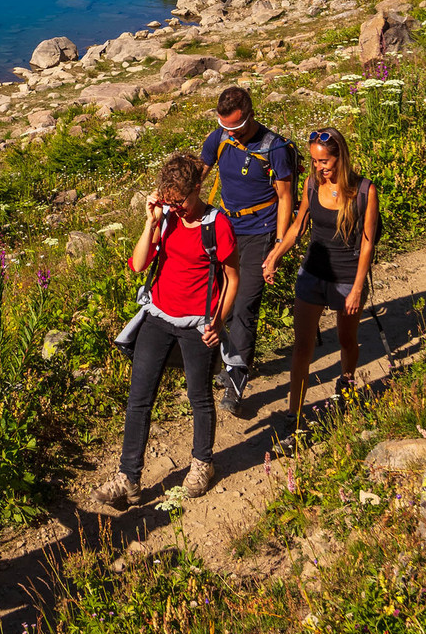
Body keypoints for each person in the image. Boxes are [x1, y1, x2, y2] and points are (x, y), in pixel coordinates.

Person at [99, 149, 239, 508]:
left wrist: (218, 322)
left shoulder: (217, 224)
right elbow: (139, 264)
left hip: (197, 325)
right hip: (158, 318)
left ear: (198, 188)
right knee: (139, 399)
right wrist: (151, 221)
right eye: (170, 202)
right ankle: (128, 478)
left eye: (181, 202)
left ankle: (202, 463)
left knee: (199, 397)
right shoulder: (166, 218)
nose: (176, 208)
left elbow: (232, 277)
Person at [265, 126, 379, 436]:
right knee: (301, 347)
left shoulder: (364, 191)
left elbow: (367, 242)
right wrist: (276, 255)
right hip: (312, 273)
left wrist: (357, 288)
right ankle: (294, 412)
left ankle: (346, 379)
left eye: (324, 161)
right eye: (315, 162)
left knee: (346, 341)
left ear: (340, 158)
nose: (319, 168)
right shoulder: (312, 185)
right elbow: (299, 225)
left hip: (346, 277)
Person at [199, 86, 298, 413]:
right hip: (225, 229)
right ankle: (221, 361)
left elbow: (286, 199)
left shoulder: (276, 148)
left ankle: (236, 379)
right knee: (214, 297)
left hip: (261, 232)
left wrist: (279, 247)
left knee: (244, 305)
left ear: (251, 115)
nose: (231, 134)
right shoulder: (219, 138)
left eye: (236, 128)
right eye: (224, 127)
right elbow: (198, 176)